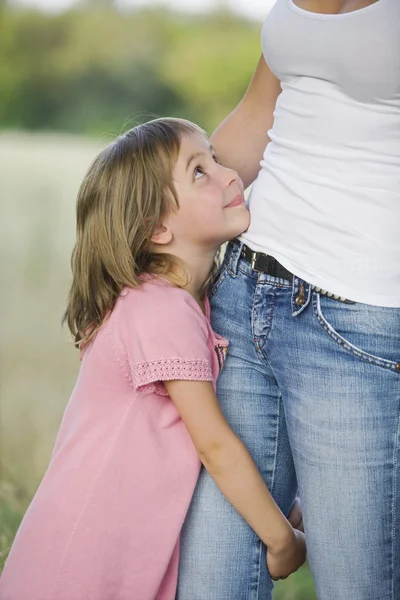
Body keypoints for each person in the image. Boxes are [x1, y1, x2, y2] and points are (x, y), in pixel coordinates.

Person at [0, 118, 306, 600]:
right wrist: (281, 539)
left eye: (216, 159)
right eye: (199, 172)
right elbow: (215, 447)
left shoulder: (172, 302)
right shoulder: (161, 310)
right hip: (80, 569)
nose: (230, 176)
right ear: (156, 227)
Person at [177, 1, 400, 599]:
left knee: (357, 586)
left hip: (360, 321)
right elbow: (258, 117)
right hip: (245, 290)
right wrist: (152, 230)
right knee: (211, 584)